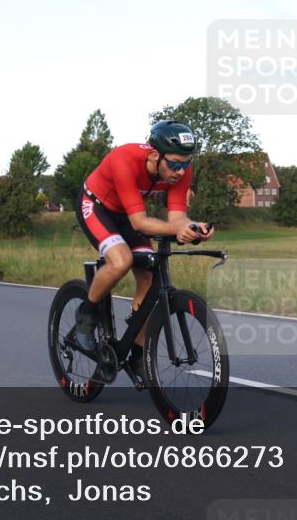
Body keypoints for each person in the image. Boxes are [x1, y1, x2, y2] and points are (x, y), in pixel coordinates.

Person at [74, 120, 214, 380]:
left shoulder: (181, 168)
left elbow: (177, 219)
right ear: (154, 155)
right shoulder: (125, 160)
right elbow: (140, 223)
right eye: (174, 164)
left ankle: (138, 354)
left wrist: (193, 227)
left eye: (186, 164)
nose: (180, 171)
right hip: (96, 206)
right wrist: (177, 229)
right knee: (121, 261)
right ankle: (86, 313)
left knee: (149, 278)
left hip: (127, 215)